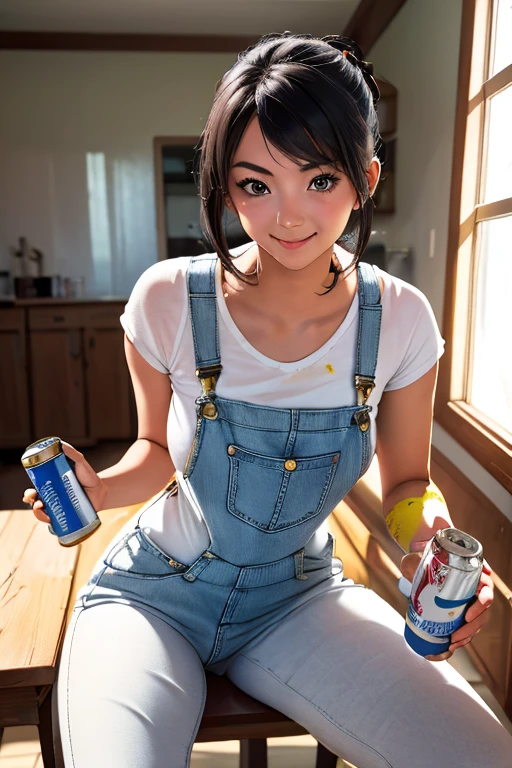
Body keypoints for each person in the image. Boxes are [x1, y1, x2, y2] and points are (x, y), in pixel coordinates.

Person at [23, 31, 511, 768]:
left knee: (481, 752)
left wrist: (427, 542)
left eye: (319, 180)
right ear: (223, 185)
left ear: (367, 177)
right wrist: (100, 485)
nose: (288, 216)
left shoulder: (402, 319)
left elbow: (409, 483)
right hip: (151, 594)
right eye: (256, 184)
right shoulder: (166, 300)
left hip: (299, 597)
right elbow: (155, 454)